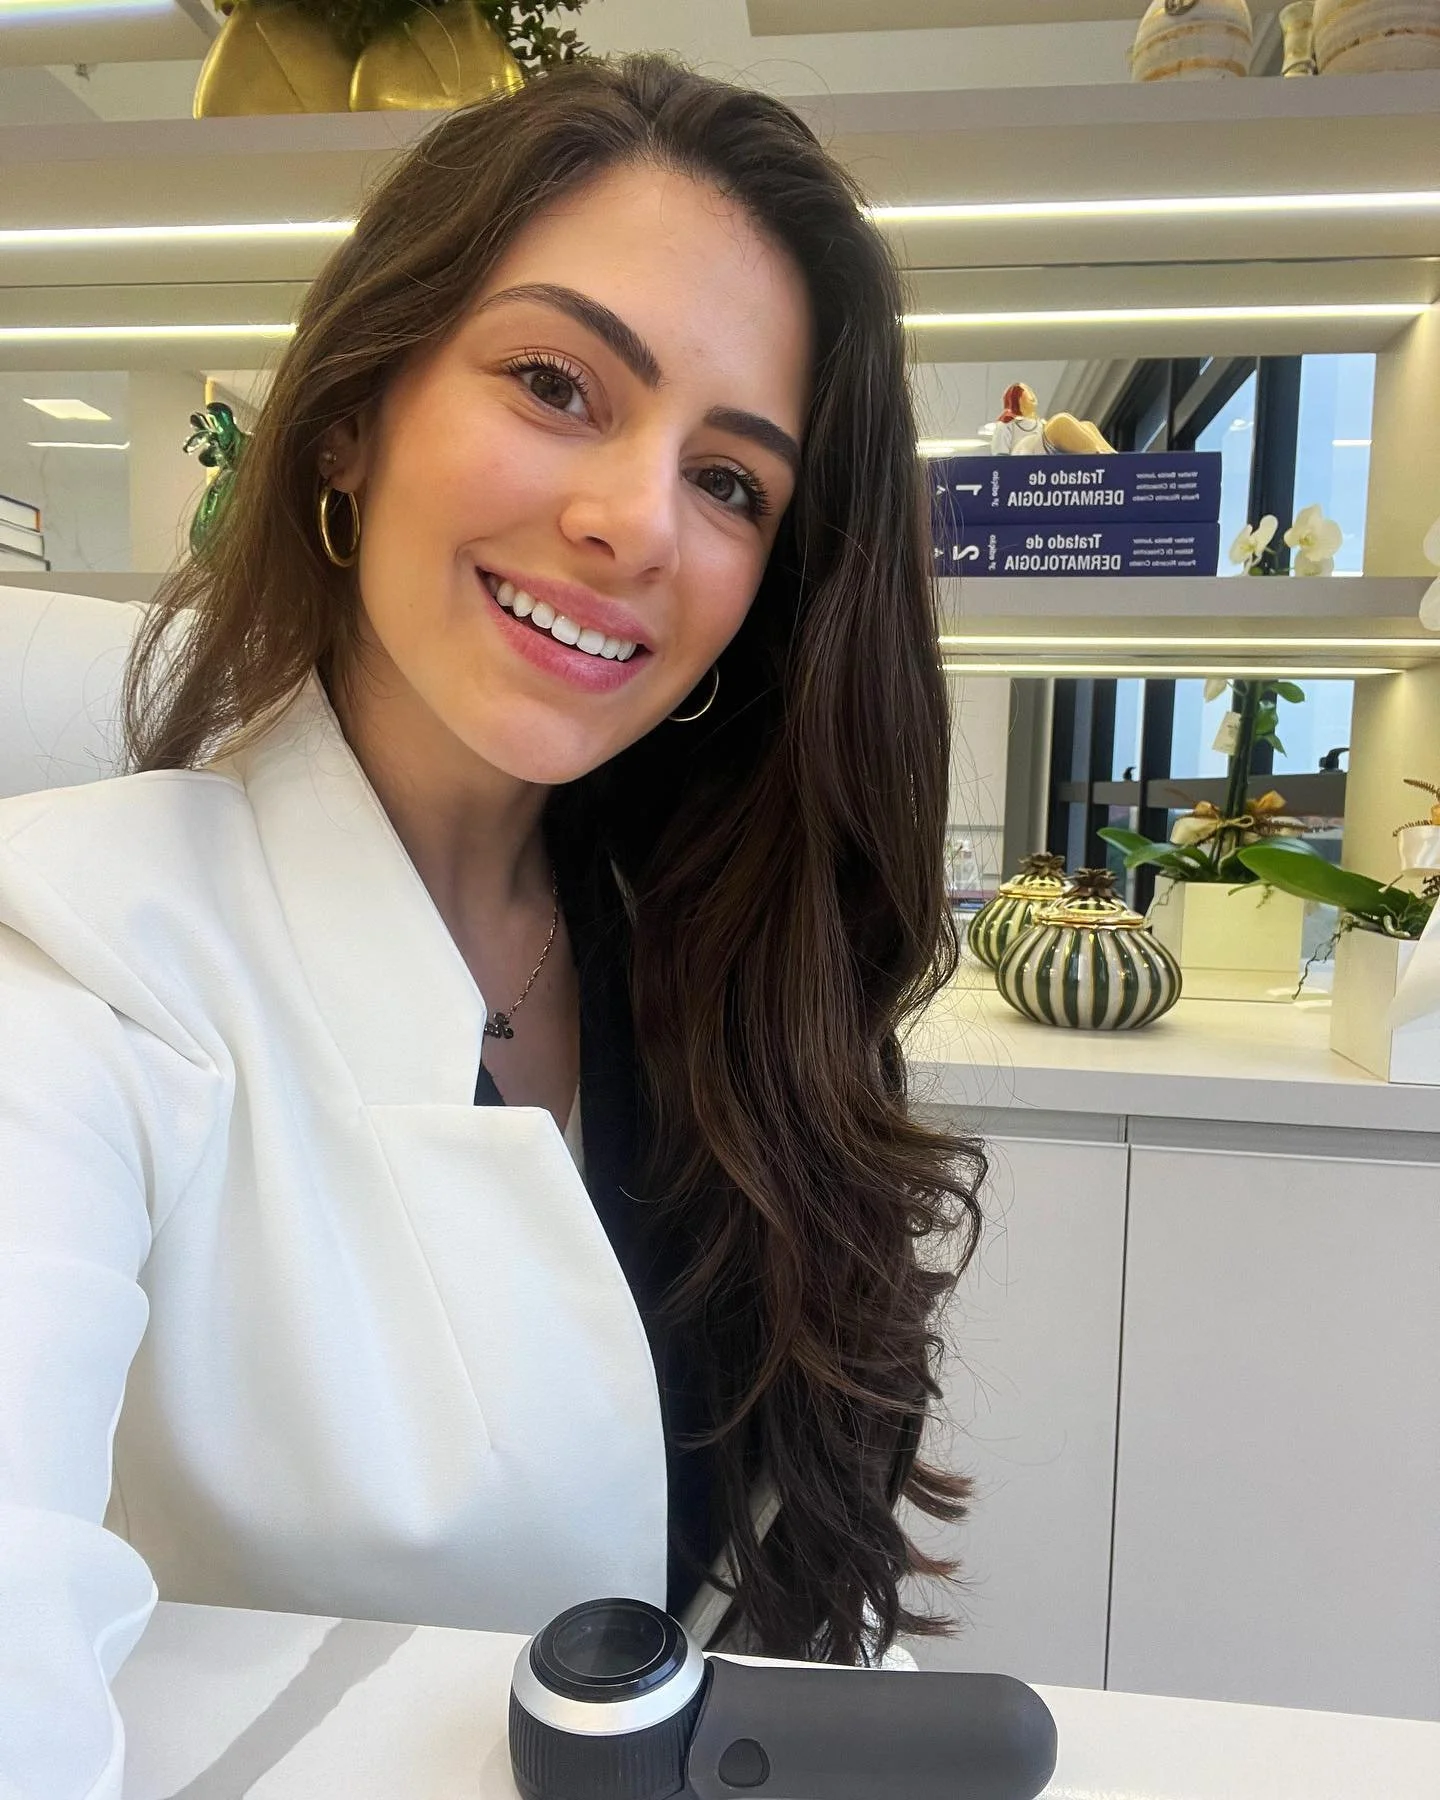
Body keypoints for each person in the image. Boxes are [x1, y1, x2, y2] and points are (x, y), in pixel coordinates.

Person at [0, 54, 986, 1797]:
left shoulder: (718, 973)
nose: (633, 522)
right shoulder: (80, 960)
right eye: (555, 383)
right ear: (350, 417)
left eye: (734, 483)